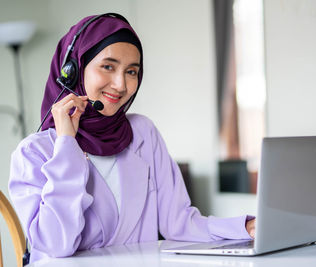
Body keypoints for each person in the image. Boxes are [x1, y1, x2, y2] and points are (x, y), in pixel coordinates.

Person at [8, 13, 255, 263]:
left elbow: (179, 223)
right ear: (73, 71)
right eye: (108, 66)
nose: (120, 84)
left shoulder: (142, 133)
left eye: (132, 71)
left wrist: (243, 229)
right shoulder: (34, 153)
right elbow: (56, 244)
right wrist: (66, 147)